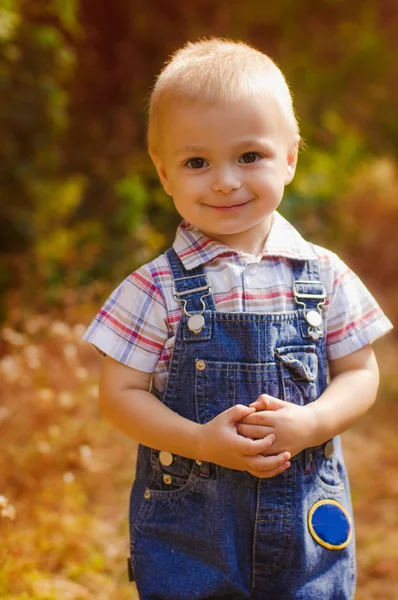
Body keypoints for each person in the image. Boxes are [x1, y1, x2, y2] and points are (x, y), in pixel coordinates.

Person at [82, 38, 393, 600]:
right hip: (191, 531)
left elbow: (361, 373)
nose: (225, 180)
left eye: (249, 156)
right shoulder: (155, 288)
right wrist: (199, 440)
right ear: (164, 173)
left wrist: (313, 424)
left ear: (290, 157)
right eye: (197, 162)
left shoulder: (323, 275)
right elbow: (119, 394)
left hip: (304, 522)